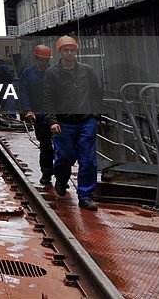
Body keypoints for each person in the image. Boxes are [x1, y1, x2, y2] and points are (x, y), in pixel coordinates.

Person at [42, 35, 103, 211]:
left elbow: (97, 93)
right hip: (63, 123)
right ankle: (61, 178)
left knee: (88, 160)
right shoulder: (52, 73)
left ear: (76, 51)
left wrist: (95, 116)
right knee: (66, 156)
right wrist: (52, 121)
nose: (69, 53)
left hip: (86, 121)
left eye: (72, 50)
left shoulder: (87, 71)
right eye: (66, 50)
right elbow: (48, 99)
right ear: (59, 52)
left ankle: (85, 195)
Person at [18, 44, 55, 186]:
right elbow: (24, 93)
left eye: (46, 60)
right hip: (39, 116)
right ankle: (46, 173)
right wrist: (28, 110)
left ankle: (61, 175)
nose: (45, 63)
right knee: (45, 146)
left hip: (56, 115)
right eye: (42, 60)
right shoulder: (28, 74)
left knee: (61, 147)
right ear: (36, 59)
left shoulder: (55, 73)